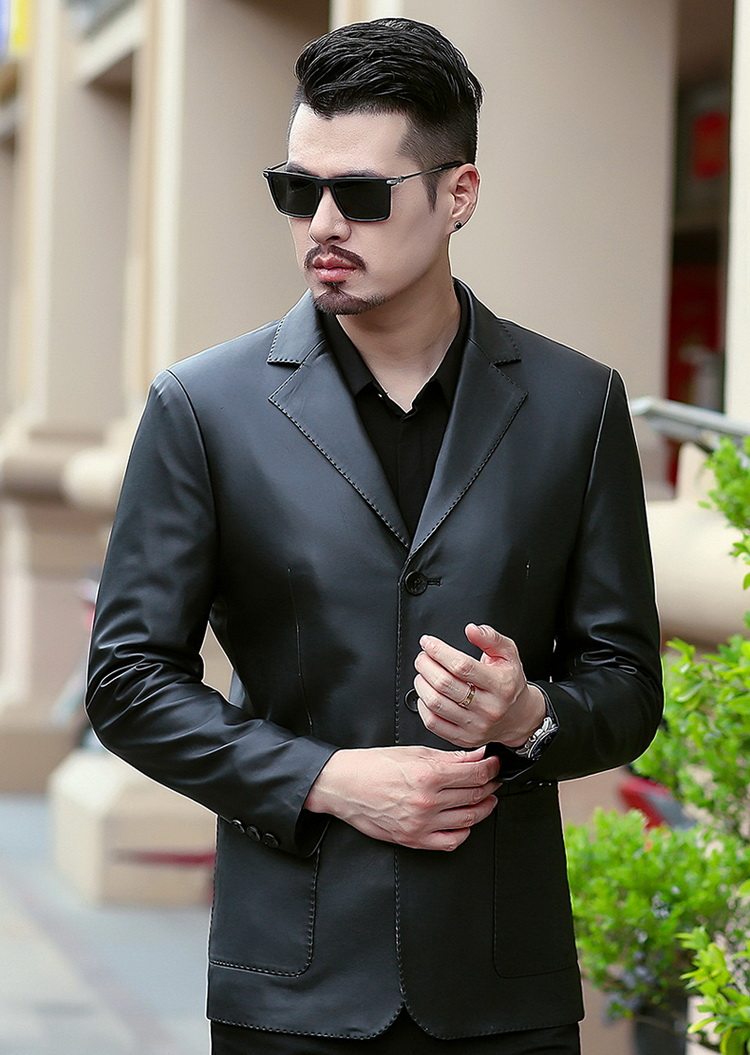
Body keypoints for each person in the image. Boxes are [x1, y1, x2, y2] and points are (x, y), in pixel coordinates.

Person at [86, 17, 663, 1055]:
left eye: (360, 194)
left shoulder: (578, 404)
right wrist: (326, 778)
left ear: (458, 194)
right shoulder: (204, 408)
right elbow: (128, 680)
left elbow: (626, 683)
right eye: (296, 189)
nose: (321, 223)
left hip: (503, 986)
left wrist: (530, 712)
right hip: (290, 981)